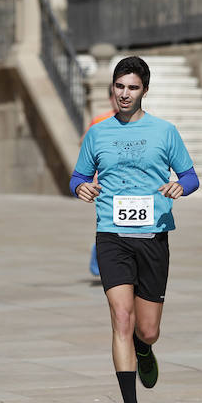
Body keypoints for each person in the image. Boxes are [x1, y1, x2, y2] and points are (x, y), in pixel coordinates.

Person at [70, 56, 200, 403]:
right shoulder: (98, 133)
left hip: (153, 237)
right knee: (121, 320)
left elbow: (190, 176)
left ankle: (145, 350)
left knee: (148, 329)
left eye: (132, 88)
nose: (124, 94)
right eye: (119, 86)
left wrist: (181, 187)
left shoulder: (165, 131)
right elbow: (78, 176)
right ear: (112, 88)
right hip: (111, 236)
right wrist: (82, 187)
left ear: (144, 90)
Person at [85, 83, 118, 277]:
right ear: (110, 99)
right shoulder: (100, 120)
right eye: (115, 95)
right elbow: (86, 143)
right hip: (103, 183)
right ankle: (99, 257)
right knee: (107, 221)